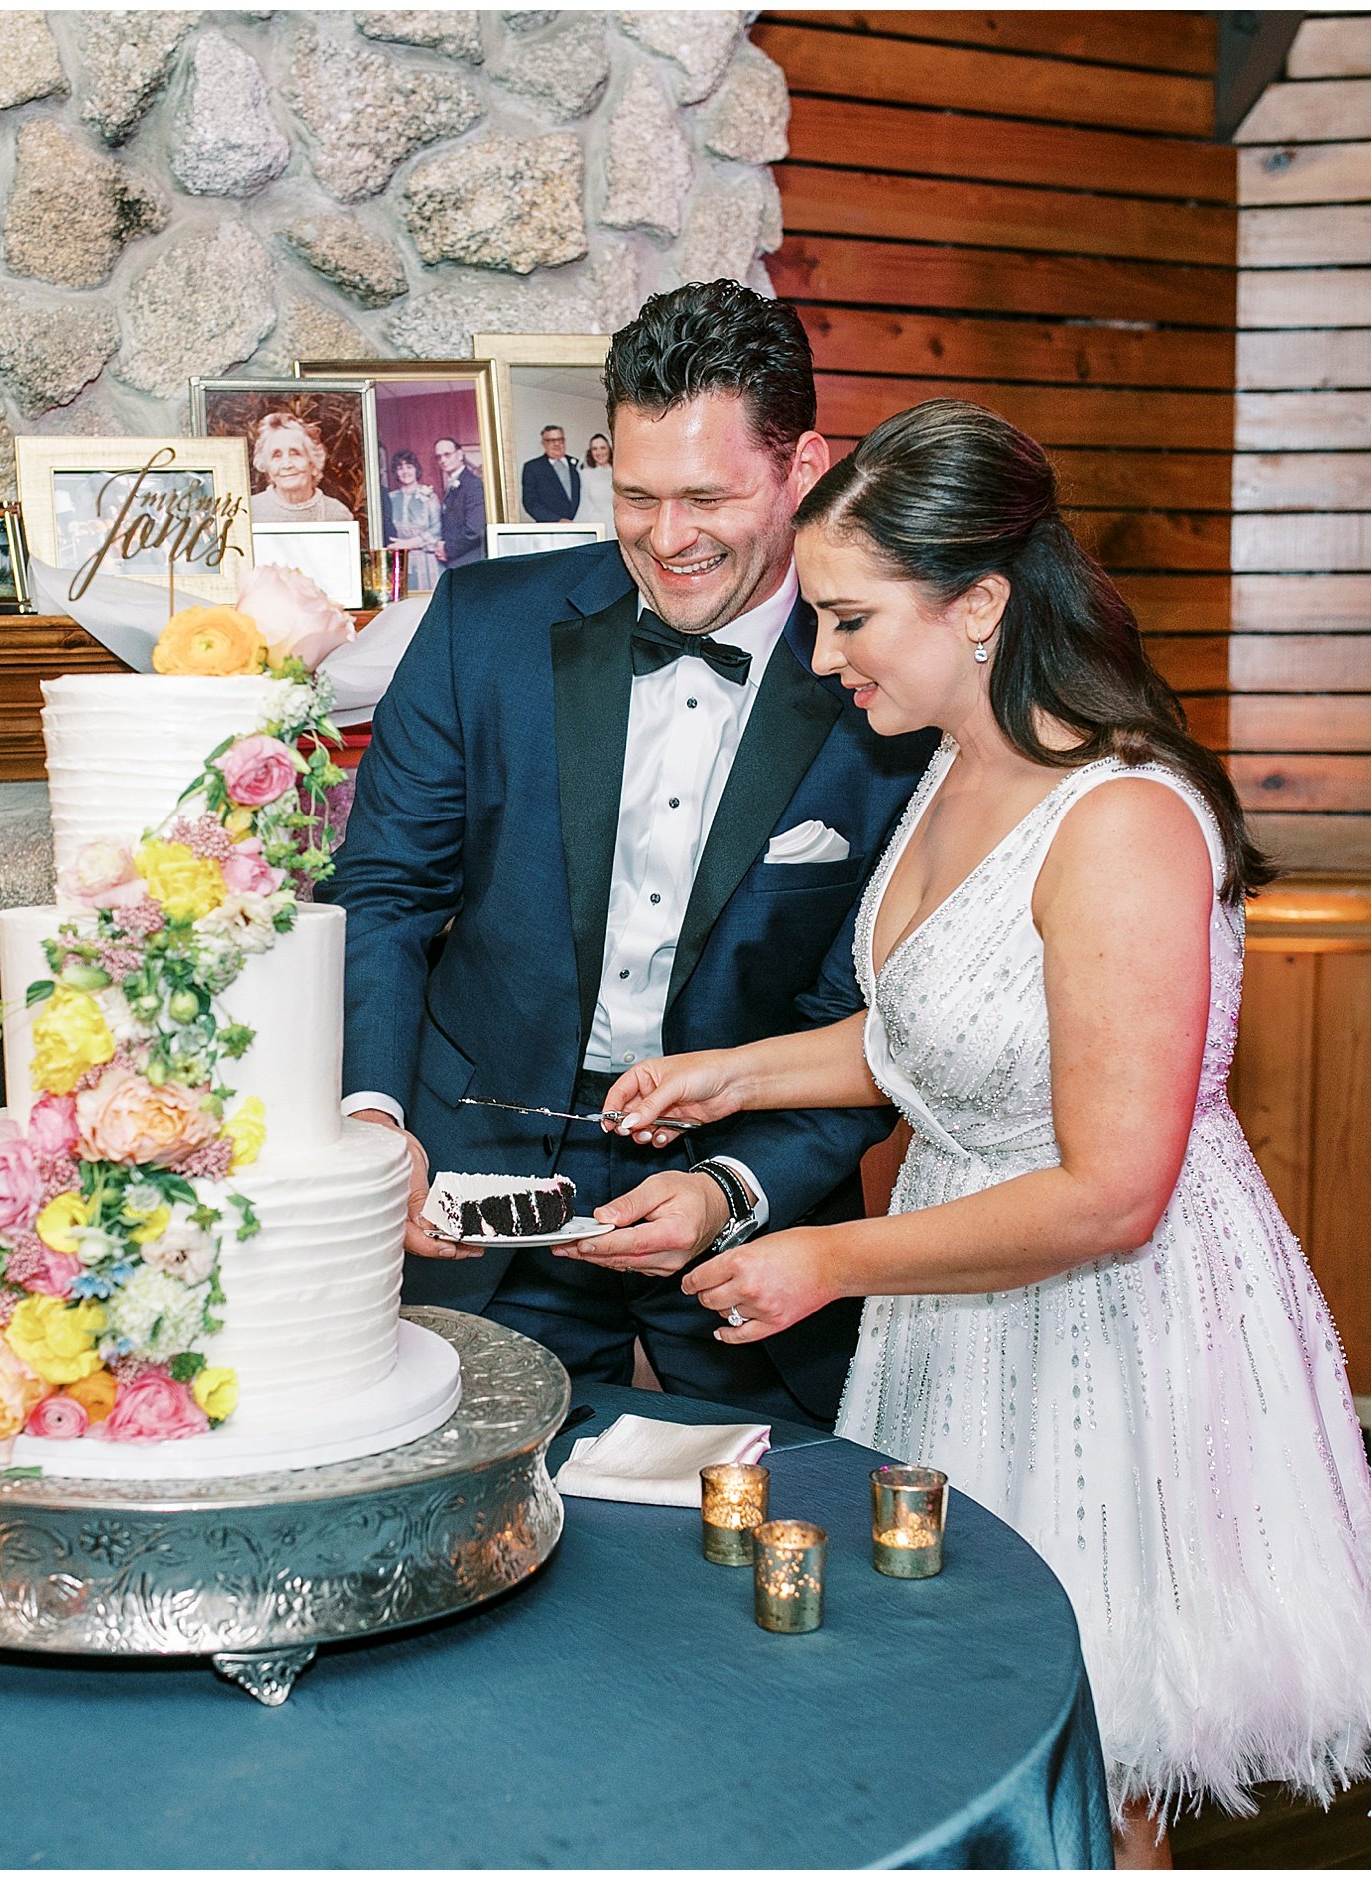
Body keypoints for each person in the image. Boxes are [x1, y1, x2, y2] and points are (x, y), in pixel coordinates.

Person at [603, 399, 1371, 1864]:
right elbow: (943, 1029)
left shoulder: (1123, 820)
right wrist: (733, 1074)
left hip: (1104, 1323)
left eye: (851, 618)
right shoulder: (953, 759)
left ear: (981, 603)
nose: (825, 658)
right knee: (978, 1717)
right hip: (959, 1299)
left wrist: (829, 1258)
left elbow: (1114, 1191)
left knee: (1095, 1754)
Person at [327, 281, 934, 1424]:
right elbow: (382, 891)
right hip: (471, 1176)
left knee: (771, 1535)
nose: (669, 539)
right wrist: (373, 1125)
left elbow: (875, 1012)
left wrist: (730, 1187)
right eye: (639, 494)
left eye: (709, 495)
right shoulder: (480, 626)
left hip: (748, 1201)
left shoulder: (889, 682)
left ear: (804, 468)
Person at [248, 412, 354, 522]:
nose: (287, 465)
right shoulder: (250, 512)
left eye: (295, 454)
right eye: (276, 455)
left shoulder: (336, 513)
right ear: (266, 466)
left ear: (313, 463)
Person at [383, 449, 443, 594]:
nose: (405, 471)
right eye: (400, 468)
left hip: (425, 561)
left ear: (416, 469)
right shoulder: (390, 498)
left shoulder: (429, 496)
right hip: (399, 559)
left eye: (409, 466)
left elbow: (437, 529)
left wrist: (409, 543)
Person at [431, 436, 487, 571]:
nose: (442, 460)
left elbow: (475, 530)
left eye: (447, 454)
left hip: (469, 560)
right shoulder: (454, 483)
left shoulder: (473, 484)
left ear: (460, 454)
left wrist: (447, 549)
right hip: (458, 560)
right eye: (438, 457)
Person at [519, 423, 583, 523]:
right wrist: (558, 520)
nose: (556, 444)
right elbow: (530, 503)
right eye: (551, 441)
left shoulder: (578, 464)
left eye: (560, 440)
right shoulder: (532, 467)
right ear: (543, 443)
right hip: (549, 529)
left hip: (582, 525)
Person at [580, 432, 617, 541]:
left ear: (609, 449)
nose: (599, 452)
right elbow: (584, 504)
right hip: (597, 523)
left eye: (602, 448)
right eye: (594, 449)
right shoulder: (585, 474)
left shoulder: (619, 472)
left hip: (617, 522)